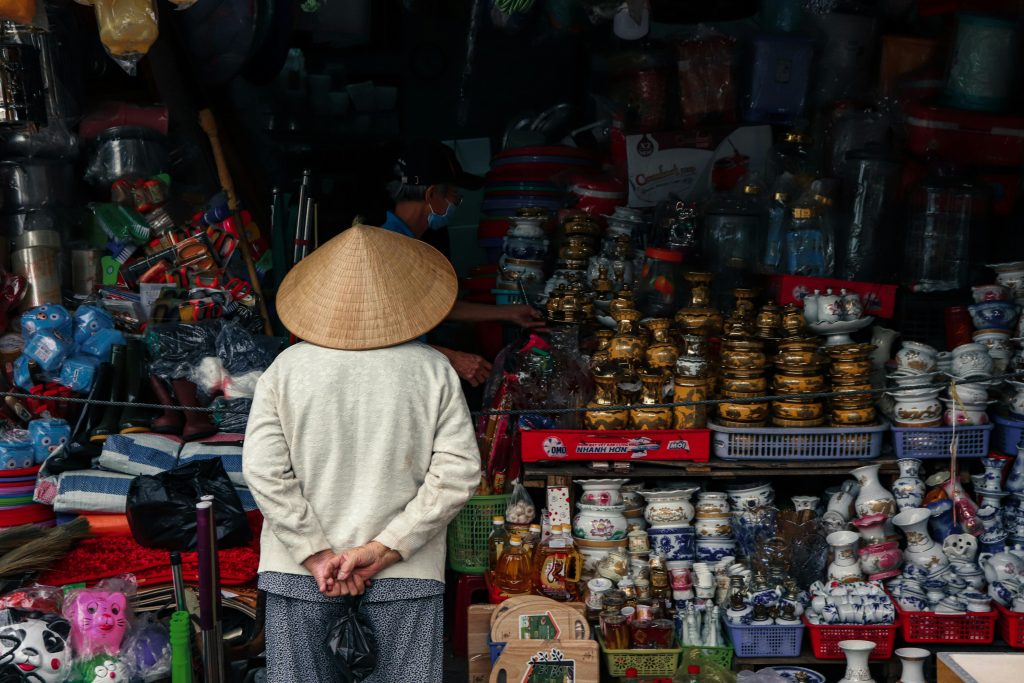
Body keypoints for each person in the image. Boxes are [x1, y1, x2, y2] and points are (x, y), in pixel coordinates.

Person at [243, 225, 481, 683]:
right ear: (404, 300)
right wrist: (385, 548)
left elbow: (263, 471)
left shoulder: (285, 370)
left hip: (299, 572)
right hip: (405, 574)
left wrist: (314, 554)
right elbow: (458, 473)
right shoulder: (433, 370)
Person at [371, 142, 546, 386]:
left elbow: (437, 307)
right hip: (390, 380)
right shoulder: (385, 250)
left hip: (412, 372)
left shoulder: (411, 245)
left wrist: (509, 313)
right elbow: (376, 340)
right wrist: (450, 358)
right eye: (455, 196)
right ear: (432, 195)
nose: (456, 204)